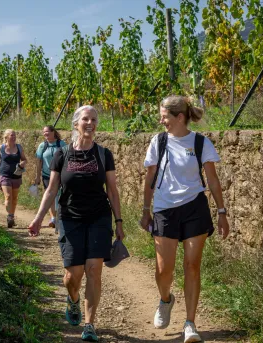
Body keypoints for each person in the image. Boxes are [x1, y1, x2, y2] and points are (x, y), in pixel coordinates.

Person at [27, 105, 124, 342]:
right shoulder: (62, 155)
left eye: (93, 119)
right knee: (73, 275)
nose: (89, 123)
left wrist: (119, 221)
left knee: (93, 269)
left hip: (99, 217)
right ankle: (72, 300)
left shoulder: (104, 154)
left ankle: (90, 324)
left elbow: (112, 190)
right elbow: (51, 190)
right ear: (75, 124)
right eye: (85, 119)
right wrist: (39, 218)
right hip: (70, 218)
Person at [140, 95, 230, 343]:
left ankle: (190, 323)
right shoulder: (157, 142)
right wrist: (145, 209)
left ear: (180, 117)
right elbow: (149, 178)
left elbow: (212, 180)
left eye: (165, 116)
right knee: (163, 270)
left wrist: (222, 212)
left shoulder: (201, 143)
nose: (161, 120)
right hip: (164, 209)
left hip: (195, 208)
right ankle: (166, 299)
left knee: (192, 265)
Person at [0, 129, 27, 228]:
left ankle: (11, 217)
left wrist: (23, 163)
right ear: (6, 137)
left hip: (17, 176)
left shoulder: (19, 147)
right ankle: (9, 216)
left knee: (14, 198)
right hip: (4, 175)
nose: (13, 137)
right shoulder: (1, 148)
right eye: (11, 135)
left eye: (14, 135)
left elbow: (24, 159)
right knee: (8, 197)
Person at [35, 125, 67, 230]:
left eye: (47, 132)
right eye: (44, 132)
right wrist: (37, 176)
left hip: (60, 175)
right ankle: (53, 218)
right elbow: (39, 162)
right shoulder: (42, 146)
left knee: (60, 195)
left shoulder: (61, 144)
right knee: (50, 196)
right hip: (46, 175)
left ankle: (59, 216)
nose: (45, 134)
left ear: (53, 132)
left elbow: (67, 159)